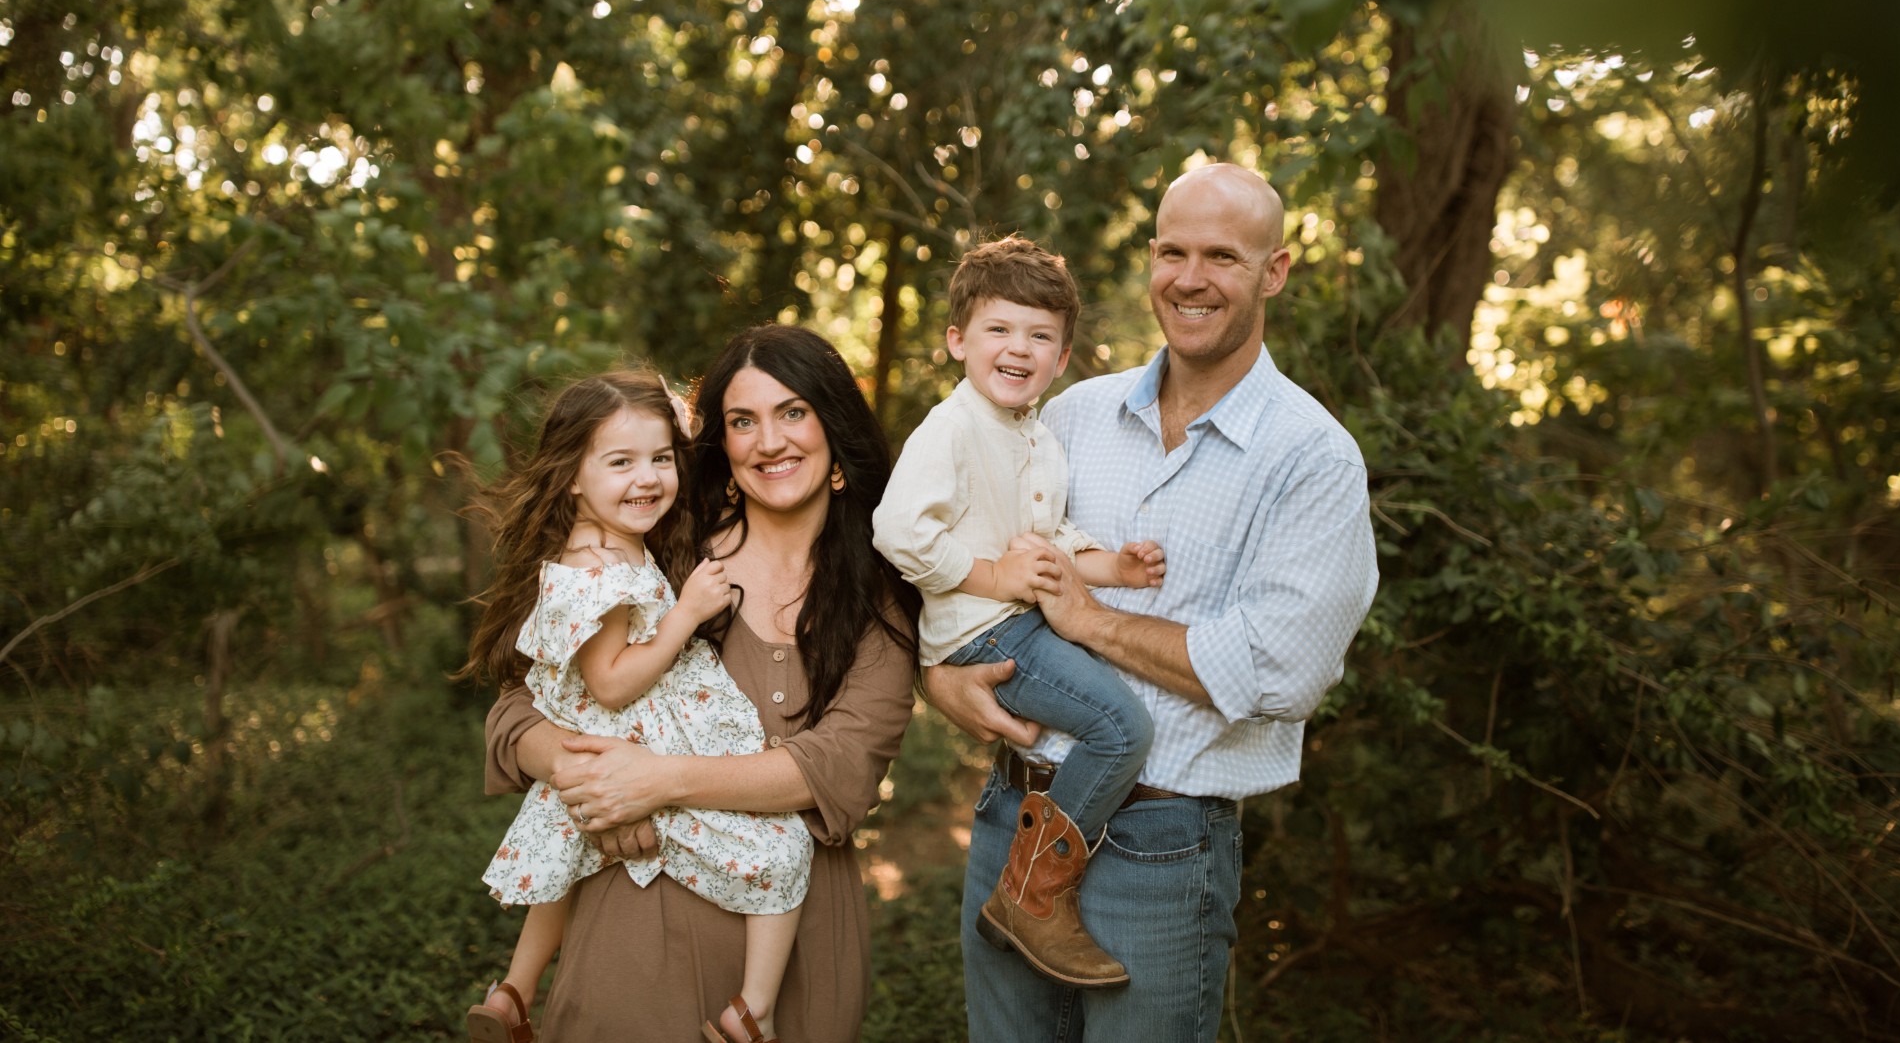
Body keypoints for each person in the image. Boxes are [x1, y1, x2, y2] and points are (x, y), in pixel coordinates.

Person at [925, 163, 1380, 1041]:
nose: (1190, 278)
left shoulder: (1311, 457)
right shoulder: (1072, 415)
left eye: (1222, 256)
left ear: (1276, 271)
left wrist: (1092, 620)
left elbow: (1280, 670)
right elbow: (968, 554)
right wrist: (937, 675)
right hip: (1014, 816)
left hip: (1159, 847)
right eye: (1173, 252)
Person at [483, 326, 919, 1043]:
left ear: (835, 429)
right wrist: (590, 779)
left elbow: (840, 765)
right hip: (634, 931)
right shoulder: (666, 553)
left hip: (798, 946)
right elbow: (519, 709)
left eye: (793, 411)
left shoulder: (881, 597)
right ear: (722, 444)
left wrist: (654, 780)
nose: (769, 441)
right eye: (743, 421)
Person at [459, 370, 812, 1043]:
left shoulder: (604, 544)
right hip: (629, 740)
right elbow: (611, 683)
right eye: (621, 462)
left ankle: (512, 993)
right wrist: (687, 613)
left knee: (567, 864)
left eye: (660, 457)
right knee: (784, 847)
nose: (647, 477)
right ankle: (755, 1010)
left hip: (604, 744)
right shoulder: (599, 570)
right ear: (572, 476)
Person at [872, 236, 1166, 988]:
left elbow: (1050, 541)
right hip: (983, 632)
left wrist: (1114, 567)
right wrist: (994, 574)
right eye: (999, 328)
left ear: (1061, 359)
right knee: (1122, 728)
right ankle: (1032, 896)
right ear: (958, 340)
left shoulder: (1036, 436)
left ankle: (1031, 885)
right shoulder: (951, 428)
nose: (1018, 348)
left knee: (1108, 715)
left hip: (1016, 620)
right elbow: (898, 531)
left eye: (1039, 336)